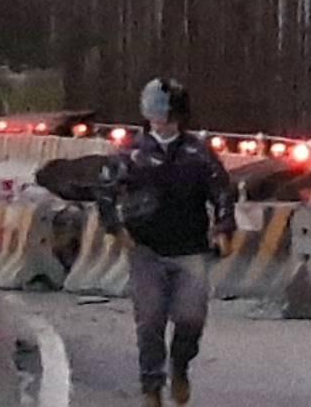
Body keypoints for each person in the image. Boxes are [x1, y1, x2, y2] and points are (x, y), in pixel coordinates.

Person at [97, 78, 236, 406]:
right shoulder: (131, 154)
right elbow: (104, 193)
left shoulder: (198, 153)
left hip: (190, 250)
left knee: (191, 319)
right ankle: (151, 386)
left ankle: (180, 366)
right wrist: (116, 229)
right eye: (156, 113)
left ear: (180, 115)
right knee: (149, 322)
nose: (162, 120)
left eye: (168, 114)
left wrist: (223, 227)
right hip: (146, 251)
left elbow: (222, 192)